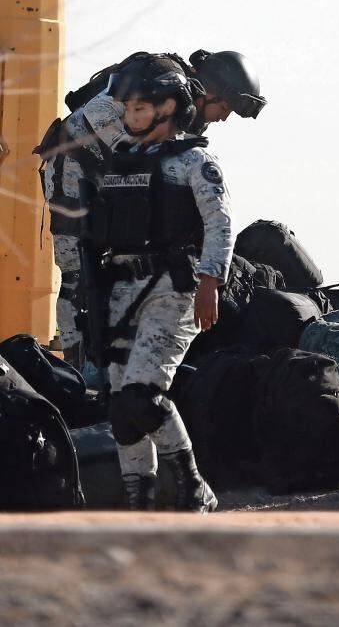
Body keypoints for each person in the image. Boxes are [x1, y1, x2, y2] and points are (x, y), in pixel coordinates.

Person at [65, 55, 235, 511]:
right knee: (121, 407)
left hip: (172, 291)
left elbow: (219, 224)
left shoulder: (194, 160)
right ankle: (138, 499)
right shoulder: (121, 158)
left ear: (169, 107)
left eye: (141, 107)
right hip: (120, 292)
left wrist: (210, 282)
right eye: (128, 108)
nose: (131, 115)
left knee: (143, 396)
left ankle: (193, 487)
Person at [38, 50, 263, 372]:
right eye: (224, 108)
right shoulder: (160, 81)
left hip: (114, 184)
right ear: (210, 90)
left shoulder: (185, 109)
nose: (223, 118)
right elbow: (94, 114)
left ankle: (104, 358)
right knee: (78, 273)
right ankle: (75, 366)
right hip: (74, 173)